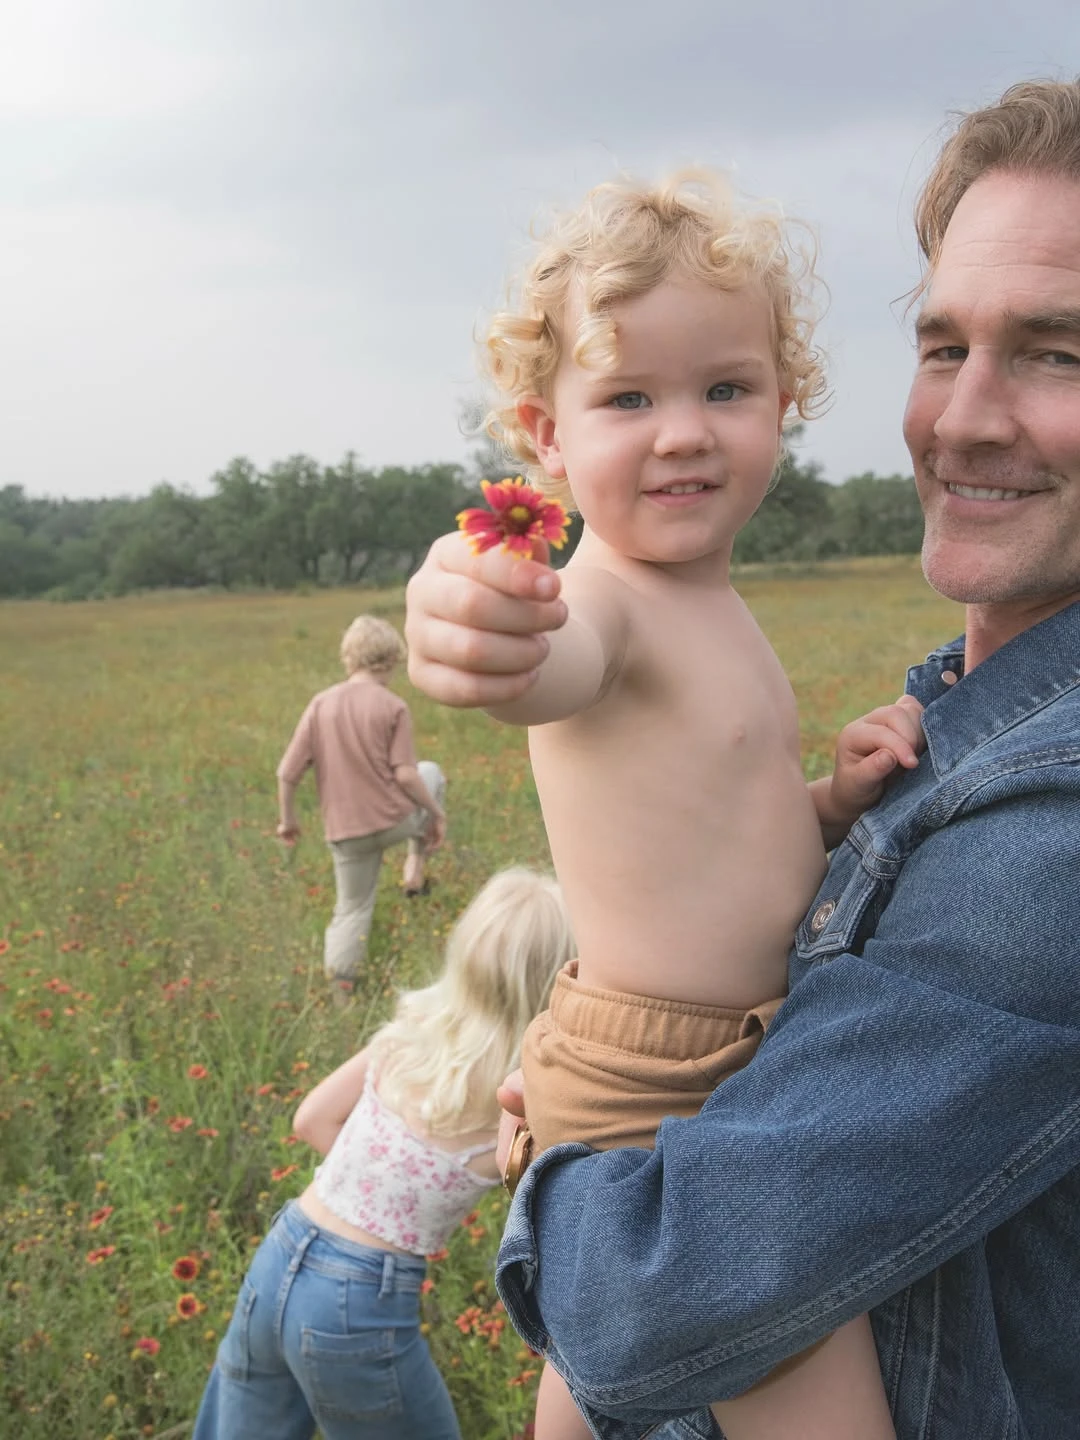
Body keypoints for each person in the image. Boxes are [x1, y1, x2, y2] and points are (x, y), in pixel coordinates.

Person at [403, 77, 1080, 1440]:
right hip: (664, 1062)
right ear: (546, 436)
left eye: (1058, 352)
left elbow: (731, 823)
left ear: (784, 401)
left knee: (660, 1342)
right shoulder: (610, 601)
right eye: (943, 345)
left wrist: (822, 801)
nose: (683, 431)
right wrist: (478, 610)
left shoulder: (1036, 816)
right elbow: (552, 661)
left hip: (700, 1066)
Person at [192, 865, 576, 1440]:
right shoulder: (519, 1100)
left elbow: (311, 1119)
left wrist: (381, 1191)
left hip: (283, 1249)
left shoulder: (407, 1035)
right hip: (355, 1303)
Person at [276, 614, 447, 994]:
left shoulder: (320, 705)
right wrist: (437, 815)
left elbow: (287, 773)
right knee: (430, 772)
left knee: (352, 908)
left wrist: (288, 821)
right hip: (396, 822)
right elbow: (406, 775)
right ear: (391, 659)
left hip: (347, 833)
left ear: (349, 658)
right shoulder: (393, 706)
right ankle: (414, 866)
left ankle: (342, 990)